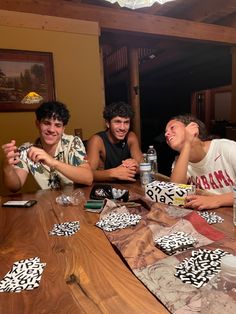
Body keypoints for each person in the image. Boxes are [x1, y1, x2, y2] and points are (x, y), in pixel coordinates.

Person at [2, 101, 93, 192]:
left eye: (58, 125)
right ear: (37, 124)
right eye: (46, 123)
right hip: (45, 203)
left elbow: (88, 178)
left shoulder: (73, 142)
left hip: (73, 201)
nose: (51, 130)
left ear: (63, 128)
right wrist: (7, 169)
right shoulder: (26, 150)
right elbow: (15, 187)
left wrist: (52, 162)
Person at [165, 114, 236, 210]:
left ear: (192, 127)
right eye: (165, 132)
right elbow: (174, 192)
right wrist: (187, 144)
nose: (166, 134)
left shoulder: (227, 148)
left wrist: (216, 200)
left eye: (172, 127)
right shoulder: (179, 162)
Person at [86, 101, 143, 182]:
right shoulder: (97, 141)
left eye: (126, 122)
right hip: (104, 188)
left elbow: (144, 166)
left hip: (127, 188)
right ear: (107, 123)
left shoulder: (131, 137)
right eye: (117, 122)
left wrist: (134, 165)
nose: (122, 128)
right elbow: (87, 174)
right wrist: (113, 173)